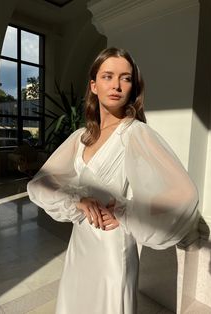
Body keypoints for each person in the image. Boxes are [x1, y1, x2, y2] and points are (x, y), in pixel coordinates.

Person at [27, 47, 198, 314]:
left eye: (126, 78)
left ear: (133, 87)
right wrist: (77, 200)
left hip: (112, 248)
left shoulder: (135, 133)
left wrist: (126, 212)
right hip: (81, 243)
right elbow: (40, 184)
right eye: (108, 76)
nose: (117, 85)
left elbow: (183, 193)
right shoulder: (81, 137)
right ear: (93, 86)